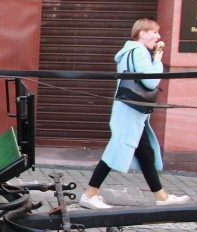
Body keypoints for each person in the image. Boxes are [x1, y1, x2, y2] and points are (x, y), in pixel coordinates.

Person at [79, 18, 189, 209]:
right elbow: (151, 82)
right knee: (115, 151)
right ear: (143, 33)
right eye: (154, 32)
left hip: (131, 110)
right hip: (131, 112)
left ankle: (161, 197)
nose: (158, 36)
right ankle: (89, 194)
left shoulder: (129, 50)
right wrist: (158, 60)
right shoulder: (139, 51)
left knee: (145, 154)